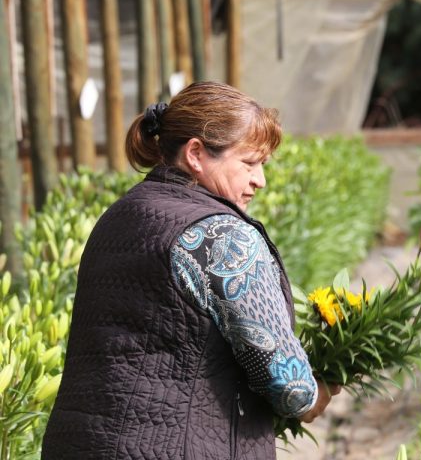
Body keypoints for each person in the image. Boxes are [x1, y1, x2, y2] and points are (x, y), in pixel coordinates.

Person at [42, 81, 338, 459]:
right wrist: (318, 394)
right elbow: (288, 383)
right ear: (196, 153)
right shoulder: (221, 236)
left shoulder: (117, 217)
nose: (259, 180)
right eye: (249, 163)